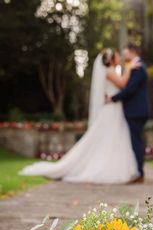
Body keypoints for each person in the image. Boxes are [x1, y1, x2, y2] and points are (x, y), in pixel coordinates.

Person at [19, 49, 140, 184]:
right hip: (111, 110)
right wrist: (129, 69)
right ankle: (105, 167)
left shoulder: (112, 71)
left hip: (115, 109)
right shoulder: (110, 71)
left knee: (112, 138)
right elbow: (122, 84)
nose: (119, 58)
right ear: (111, 59)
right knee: (108, 138)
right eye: (117, 56)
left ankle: (114, 166)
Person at [106, 44, 150, 183]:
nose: (124, 57)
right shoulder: (136, 67)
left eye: (125, 54)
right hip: (136, 111)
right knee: (136, 141)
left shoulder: (137, 68)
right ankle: (138, 172)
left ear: (132, 53)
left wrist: (113, 98)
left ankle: (139, 173)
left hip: (136, 111)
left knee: (136, 142)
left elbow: (130, 89)